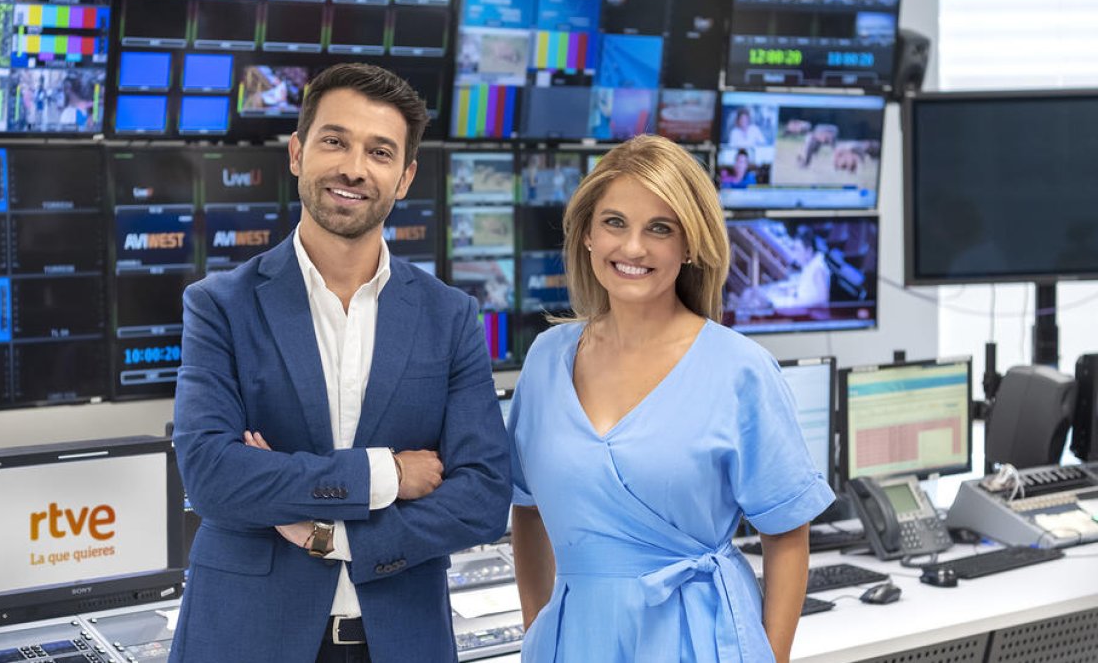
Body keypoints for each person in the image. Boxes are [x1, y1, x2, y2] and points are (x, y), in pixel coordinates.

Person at [169, 63, 511, 663]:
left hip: (402, 640)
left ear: (404, 178)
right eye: (335, 141)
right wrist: (388, 477)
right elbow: (214, 479)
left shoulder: (450, 316)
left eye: (379, 152)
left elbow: (482, 497)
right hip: (247, 640)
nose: (354, 167)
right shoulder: (219, 305)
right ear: (298, 153)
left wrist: (334, 536)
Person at [509, 135, 834, 662]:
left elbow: (787, 536)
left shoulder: (740, 369)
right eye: (614, 223)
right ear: (587, 235)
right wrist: (539, 632)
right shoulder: (547, 360)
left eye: (659, 229)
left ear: (689, 246)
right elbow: (527, 511)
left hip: (699, 638)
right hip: (574, 641)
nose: (633, 248)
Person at [768, 226, 831, 309]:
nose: (795, 255)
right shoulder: (809, 266)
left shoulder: (818, 268)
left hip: (812, 317)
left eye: (797, 250)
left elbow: (822, 299)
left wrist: (795, 302)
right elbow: (809, 290)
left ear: (809, 251)